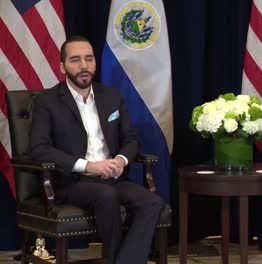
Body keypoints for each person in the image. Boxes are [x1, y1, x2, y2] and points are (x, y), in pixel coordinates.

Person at [29, 35, 165, 264]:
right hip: (72, 181)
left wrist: (120, 161)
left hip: (112, 177)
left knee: (152, 202)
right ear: (62, 66)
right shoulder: (47, 101)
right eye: (75, 60)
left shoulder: (111, 96)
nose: (84, 66)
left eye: (89, 59)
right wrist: (88, 166)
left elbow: (131, 139)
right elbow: (39, 149)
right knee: (105, 195)